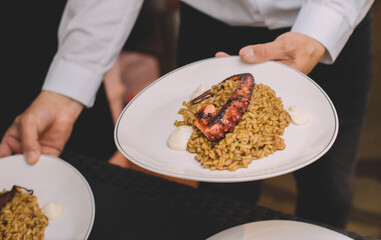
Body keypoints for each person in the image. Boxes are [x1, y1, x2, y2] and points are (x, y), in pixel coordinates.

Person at [0, 0, 374, 229]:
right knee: (220, 193)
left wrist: (321, 28)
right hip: (210, 24)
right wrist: (66, 89)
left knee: (331, 187)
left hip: (331, 24)